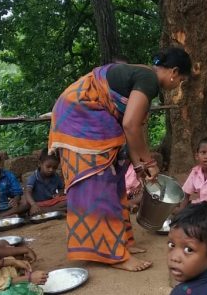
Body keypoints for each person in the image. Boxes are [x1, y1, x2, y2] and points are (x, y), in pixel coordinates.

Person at [49, 47, 191, 272]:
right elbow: (130, 125)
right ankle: (114, 255)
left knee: (115, 182)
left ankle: (120, 242)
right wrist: (149, 163)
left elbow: (131, 129)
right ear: (174, 72)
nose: (178, 85)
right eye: (181, 80)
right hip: (81, 120)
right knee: (100, 187)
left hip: (88, 118)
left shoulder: (144, 76)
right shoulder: (148, 80)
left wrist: (139, 166)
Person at [24, 150, 66, 215]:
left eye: (54, 168)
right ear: (40, 164)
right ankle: (55, 210)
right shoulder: (34, 177)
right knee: (29, 206)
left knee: (68, 200)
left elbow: (61, 188)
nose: (51, 170)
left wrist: (59, 194)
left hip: (51, 202)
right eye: (48, 166)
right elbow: (27, 192)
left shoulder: (56, 176)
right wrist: (33, 204)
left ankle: (49, 211)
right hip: (38, 204)